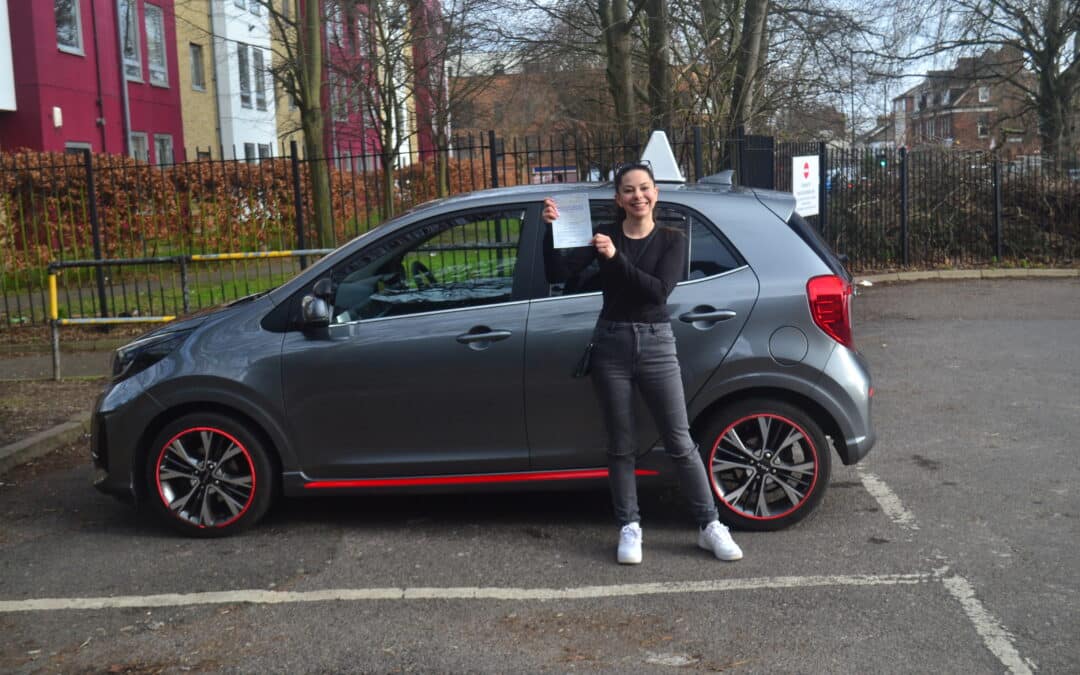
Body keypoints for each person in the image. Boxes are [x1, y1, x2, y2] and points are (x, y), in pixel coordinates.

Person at [542, 162, 743, 565]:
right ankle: (629, 527)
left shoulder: (672, 239)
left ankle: (709, 526)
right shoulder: (604, 236)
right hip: (611, 343)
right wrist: (551, 231)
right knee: (620, 444)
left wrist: (614, 259)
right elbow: (559, 274)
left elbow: (657, 293)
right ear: (618, 199)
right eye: (629, 190)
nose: (638, 196)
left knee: (680, 441)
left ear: (656, 193)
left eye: (645, 188)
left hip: (656, 343)